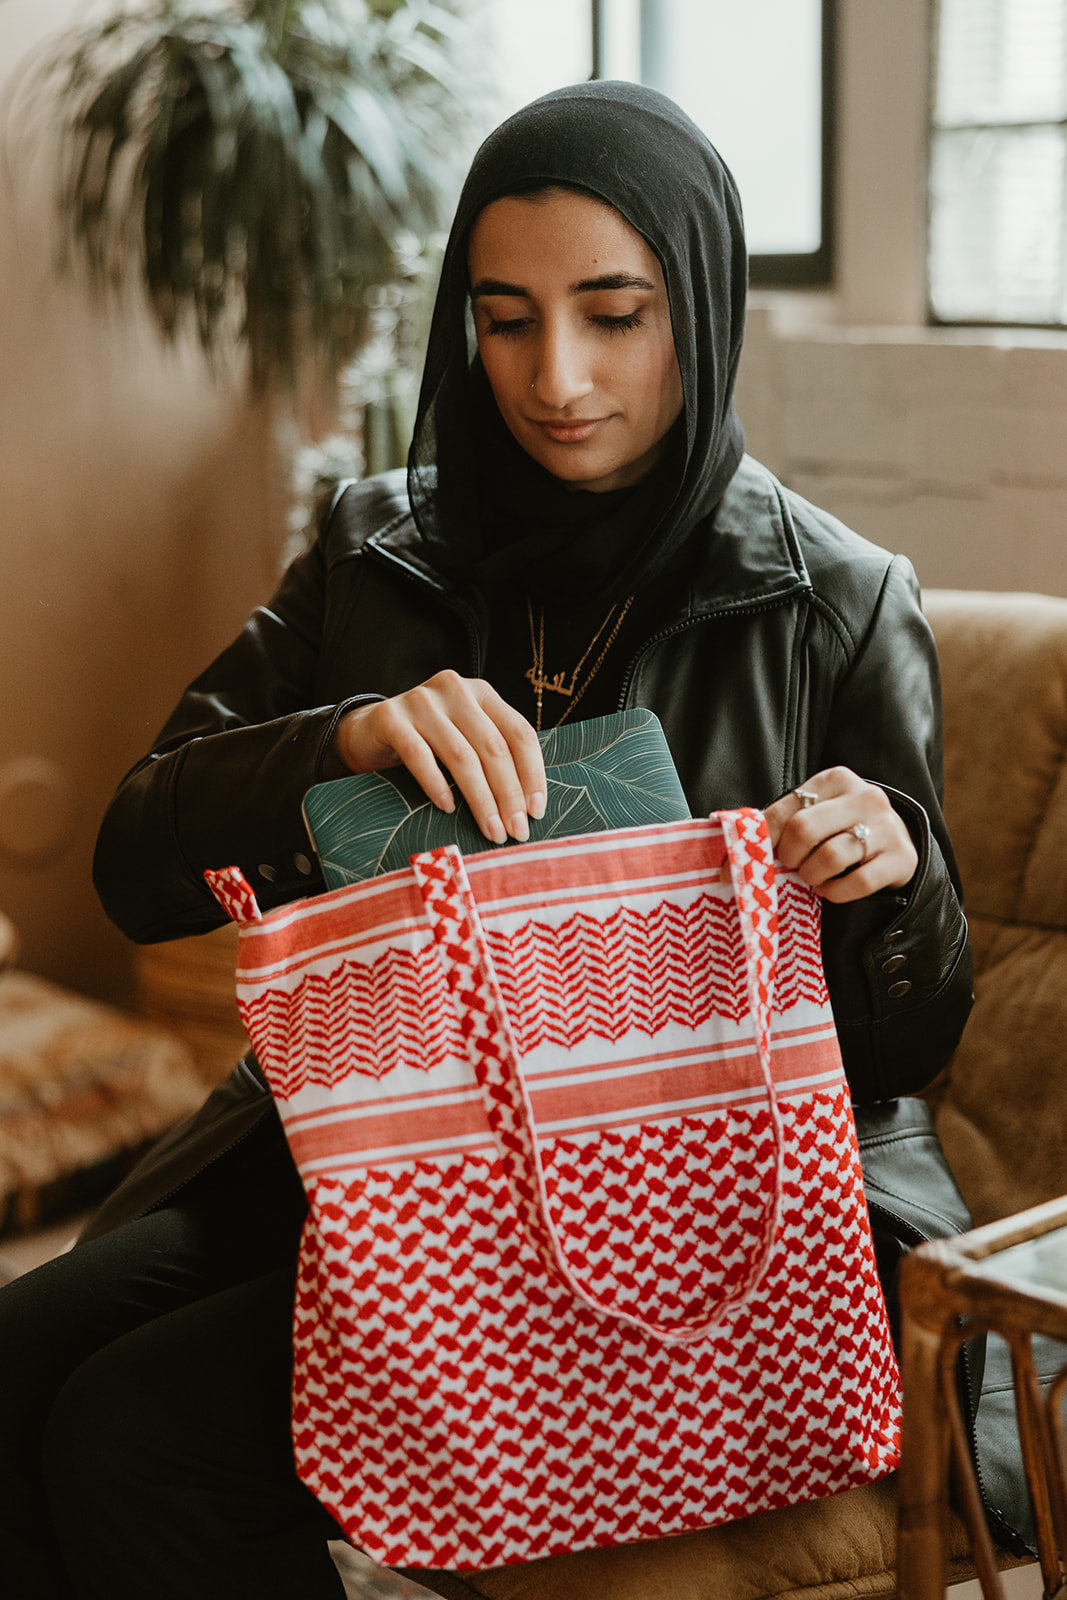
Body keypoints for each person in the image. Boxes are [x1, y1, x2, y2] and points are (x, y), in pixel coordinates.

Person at [0, 81, 972, 1599]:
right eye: (504, 317)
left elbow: (912, 1043)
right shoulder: (377, 542)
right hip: (378, 1158)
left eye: (614, 312)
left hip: (693, 1204)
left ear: (702, 308)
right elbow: (136, 861)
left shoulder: (833, 601)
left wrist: (888, 867)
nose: (556, 375)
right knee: (20, 1361)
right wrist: (341, 739)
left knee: (137, 1431)